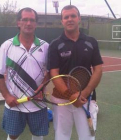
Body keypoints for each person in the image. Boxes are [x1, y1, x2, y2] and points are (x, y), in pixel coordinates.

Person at [48, 5, 103, 140]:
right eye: (66, 17)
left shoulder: (91, 42)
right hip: (61, 99)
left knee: (88, 137)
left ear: (79, 18)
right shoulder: (55, 45)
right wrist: (70, 95)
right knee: (62, 136)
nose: (70, 19)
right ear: (62, 21)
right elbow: (54, 73)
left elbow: (98, 69)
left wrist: (83, 94)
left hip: (85, 98)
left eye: (73, 16)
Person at [0, 7, 49, 140]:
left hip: (38, 103)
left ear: (36, 24)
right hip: (15, 103)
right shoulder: (7, 46)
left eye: (32, 20)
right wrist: (7, 96)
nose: (28, 23)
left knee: (38, 134)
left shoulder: (45, 46)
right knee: (13, 135)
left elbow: (50, 73)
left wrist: (43, 87)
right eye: (25, 20)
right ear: (18, 22)